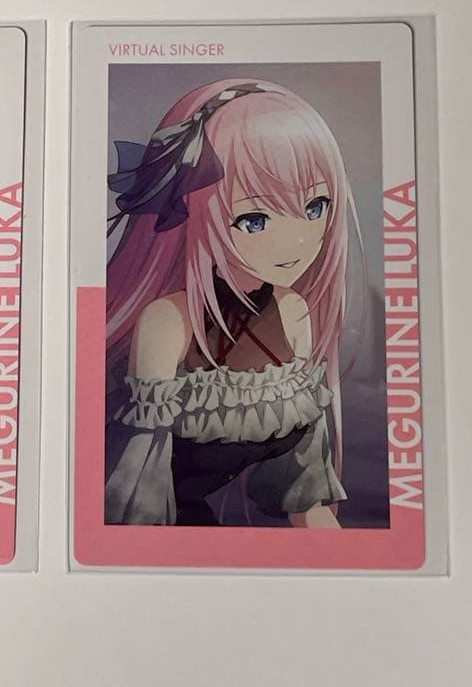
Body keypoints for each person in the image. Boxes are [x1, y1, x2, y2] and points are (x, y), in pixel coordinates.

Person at [104, 79, 356, 528]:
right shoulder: (169, 322)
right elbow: (133, 503)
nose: (299, 241)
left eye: (315, 207)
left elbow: (304, 498)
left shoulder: (293, 313)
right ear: (192, 211)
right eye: (255, 219)